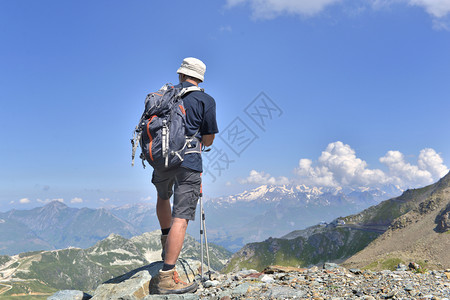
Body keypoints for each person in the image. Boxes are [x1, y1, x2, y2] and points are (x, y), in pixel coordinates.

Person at [150, 57, 218, 295]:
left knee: (162, 197)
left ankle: (165, 244)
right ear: (200, 77)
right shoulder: (205, 100)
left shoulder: (165, 95)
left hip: (161, 158)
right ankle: (167, 277)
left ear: (181, 74)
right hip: (188, 161)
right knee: (181, 217)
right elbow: (208, 139)